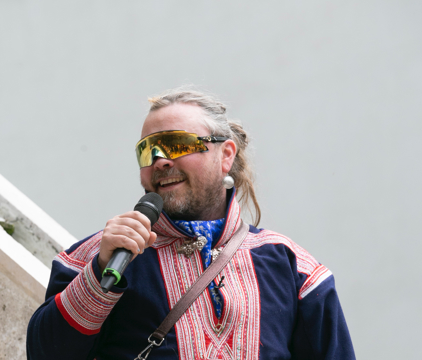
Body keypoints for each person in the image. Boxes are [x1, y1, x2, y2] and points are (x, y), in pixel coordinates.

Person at [27, 88, 355, 360]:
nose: (160, 161)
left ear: (226, 154)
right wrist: (100, 274)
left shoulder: (293, 266)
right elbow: (45, 354)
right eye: (147, 151)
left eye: (177, 144)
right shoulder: (97, 255)